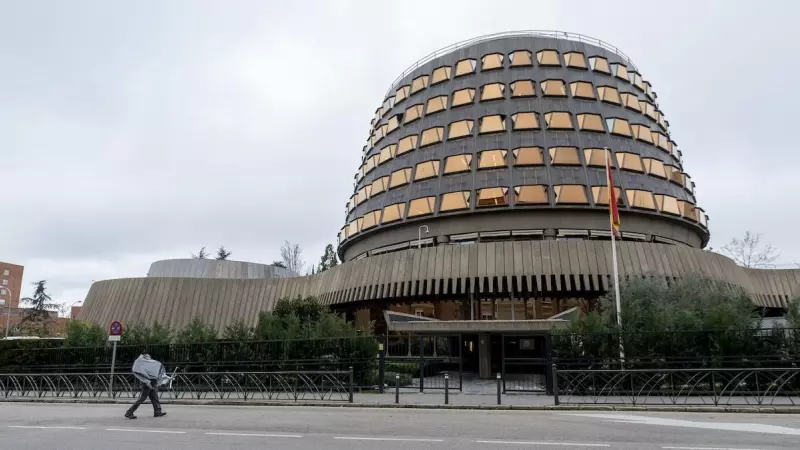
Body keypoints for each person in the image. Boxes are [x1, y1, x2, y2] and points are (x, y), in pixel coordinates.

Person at [125, 353, 168, 419]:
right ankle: (129, 412)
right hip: (147, 384)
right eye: (148, 357)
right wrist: (148, 382)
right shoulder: (143, 366)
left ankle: (157, 412)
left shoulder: (150, 365)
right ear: (144, 359)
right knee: (142, 398)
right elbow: (144, 376)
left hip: (152, 383)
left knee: (154, 397)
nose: (149, 358)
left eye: (149, 357)